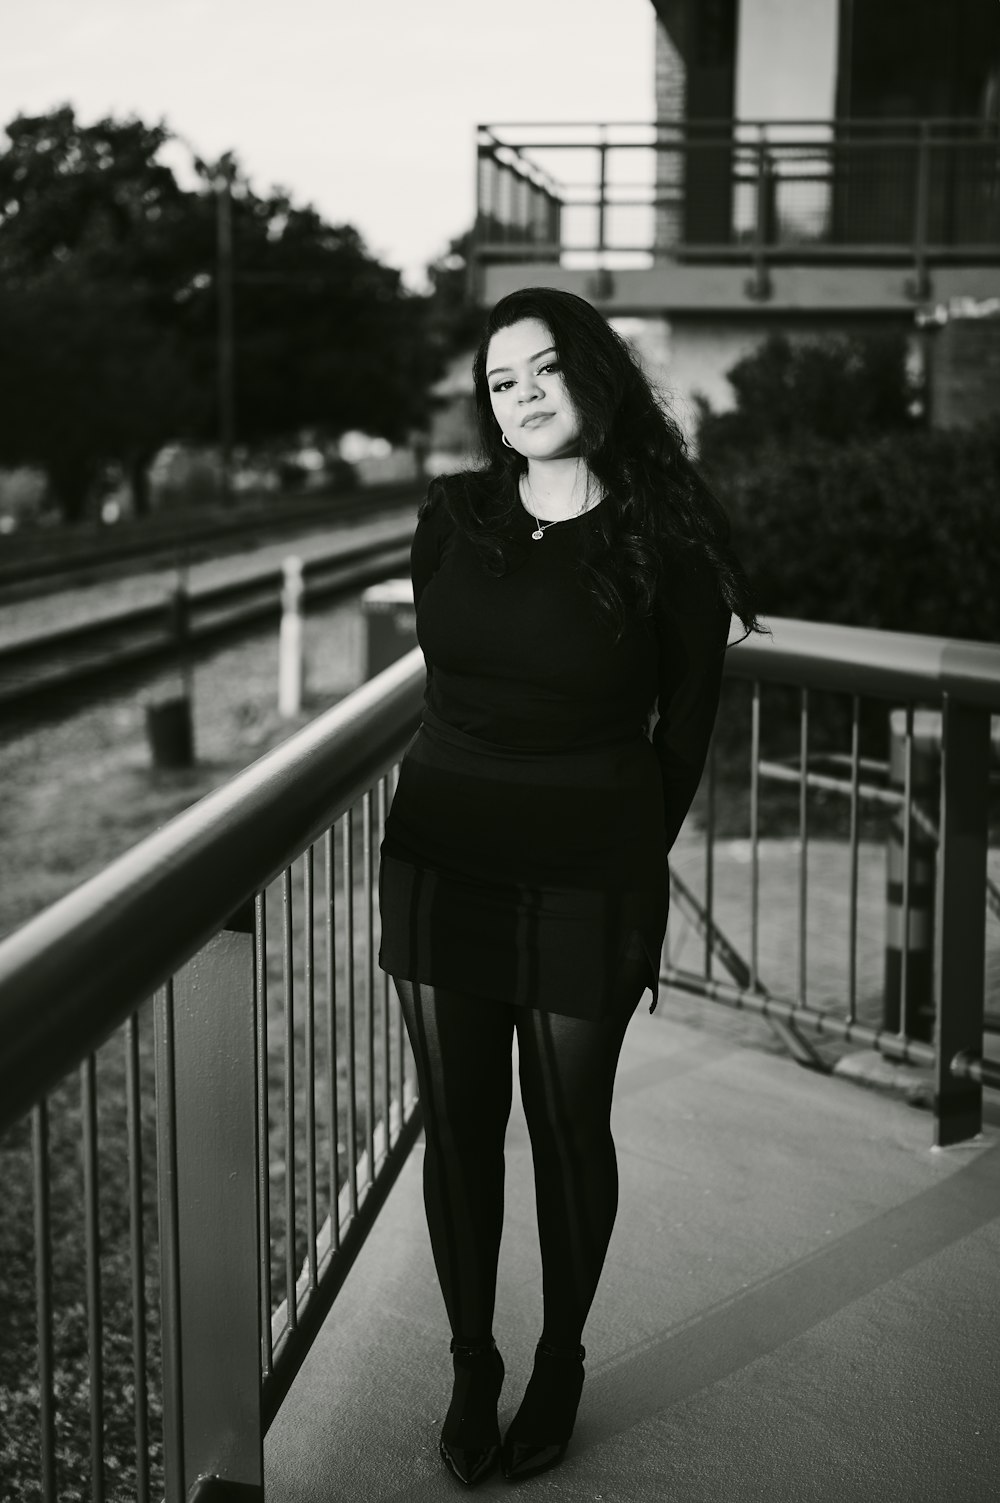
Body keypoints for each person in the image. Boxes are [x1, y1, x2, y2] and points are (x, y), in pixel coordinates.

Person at [378, 286, 762, 1487]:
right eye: (502, 382)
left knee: (563, 1127)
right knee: (460, 1129)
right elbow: (446, 679)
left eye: (545, 369)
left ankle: (557, 1361)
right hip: (442, 856)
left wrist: (619, 855)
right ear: (486, 409)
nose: (525, 396)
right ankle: (472, 1363)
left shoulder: (670, 538)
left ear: (594, 375)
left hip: (587, 872)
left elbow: (683, 736)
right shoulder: (454, 516)